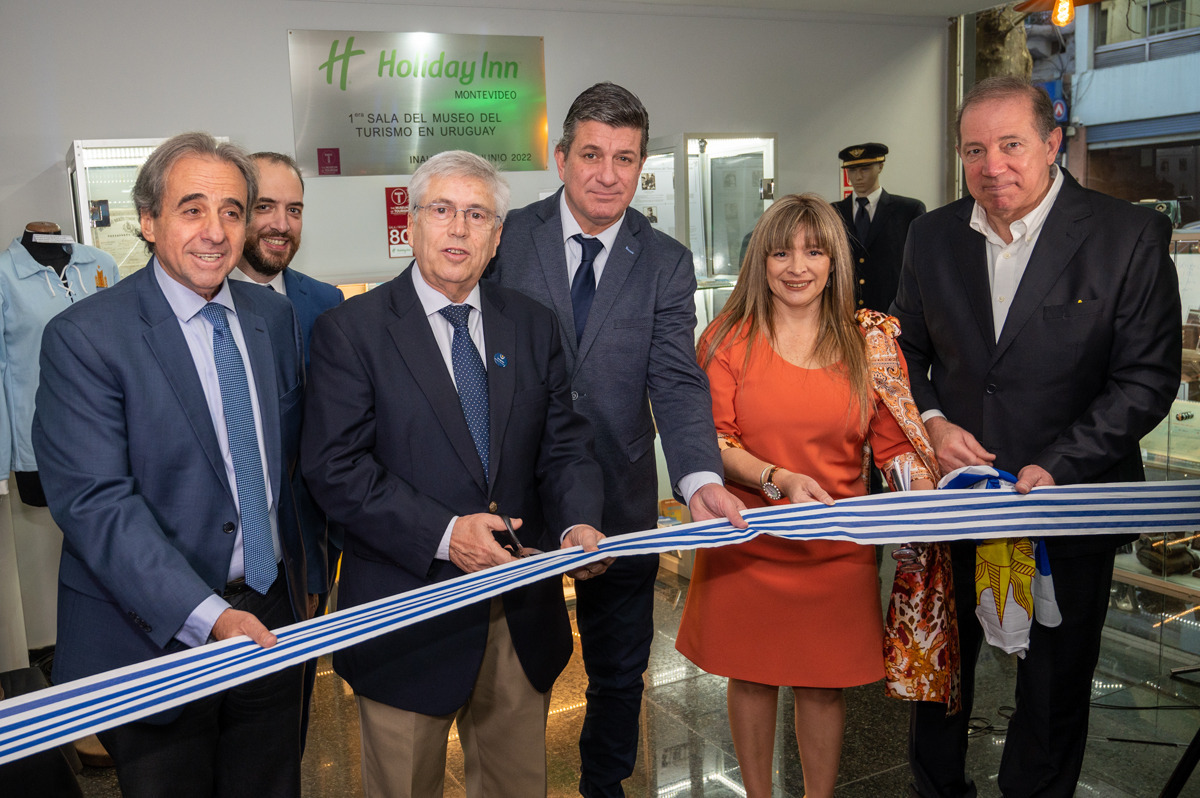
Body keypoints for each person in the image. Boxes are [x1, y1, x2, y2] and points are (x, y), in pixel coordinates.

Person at [892, 77, 1181, 798]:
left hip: (1067, 504)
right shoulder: (931, 235)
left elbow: (1145, 378)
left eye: (1012, 144)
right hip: (956, 500)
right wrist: (932, 422)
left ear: (1053, 144)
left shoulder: (1128, 236)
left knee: (1052, 691)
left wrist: (1057, 466)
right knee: (941, 678)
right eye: (975, 150)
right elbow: (904, 352)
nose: (994, 166)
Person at [301, 150, 608, 797]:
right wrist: (446, 534)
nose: (459, 229)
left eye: (477, 215)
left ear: (497, 239)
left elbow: (564, 445)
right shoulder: (351, 331)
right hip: (407, 622)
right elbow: (334, 468)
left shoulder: (531, 325)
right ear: (410, 226)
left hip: (519, 617)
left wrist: (580, 519)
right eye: (442, 210)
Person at [31, 132, 316, 796]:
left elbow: (286, 466)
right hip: (152, 634)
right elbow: (96, 504)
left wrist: (301, 583)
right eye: (192, 209)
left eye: (232, 211)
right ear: (150, 220)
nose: (215, 231)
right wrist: (208, 614)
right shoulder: (86, 338)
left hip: (271, 620)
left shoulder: (271, 320)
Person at [490, 81, 747, 798]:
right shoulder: (507, 238)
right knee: (519, 663)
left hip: (623, 494)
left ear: (643, 167)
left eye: (625, 158)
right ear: (561, 156)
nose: (608, 174)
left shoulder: (664, 260)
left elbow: (675, 379)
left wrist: (698, 478)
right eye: (593, 154)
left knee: (619, 666)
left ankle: (603, 783)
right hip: (520, 493)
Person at [675, 193, 936, 798]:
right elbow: (709, 441)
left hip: (834, 546)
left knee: (824, 683)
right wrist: (775, 479)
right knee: (752, 676)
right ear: (759, 262)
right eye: (781, 252)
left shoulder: (866, 342)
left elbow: (895, 445)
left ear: (835, 261)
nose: (798, 266)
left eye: (814, 252)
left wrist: (926, 490)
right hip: (750, 537)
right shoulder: (726, 338)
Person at [230, 150, 344, 750]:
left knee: (286, 712)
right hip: (213, 563)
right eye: (264, 206)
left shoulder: (324, 304)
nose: (280, 223)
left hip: (304, 548)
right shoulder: (200, 301)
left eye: (294, 208)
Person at [833, 142, 925, 312]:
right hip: (845, 313)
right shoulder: (833, 212)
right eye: (851, 170)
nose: (857, 177)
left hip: (891, 312)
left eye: (865, 169)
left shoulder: (907, 210)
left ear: (880, 166)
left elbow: (919, 266)